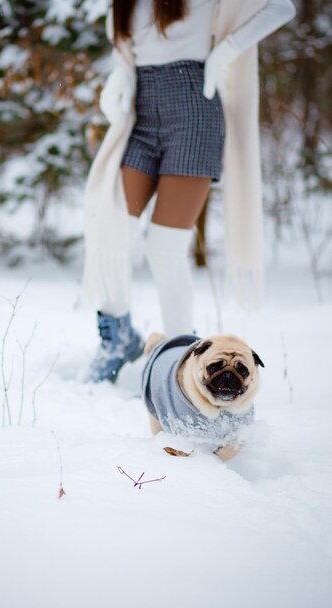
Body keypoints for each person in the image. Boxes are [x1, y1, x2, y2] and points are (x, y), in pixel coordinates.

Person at [82, 0, 296, 383]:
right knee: (110, 225)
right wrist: (122, 75)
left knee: (164, 248)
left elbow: (282, 7)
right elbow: (131, 49)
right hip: (142, 116)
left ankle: (179, 362)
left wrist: (227, 50)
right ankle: (119, 338)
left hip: (195, 115)